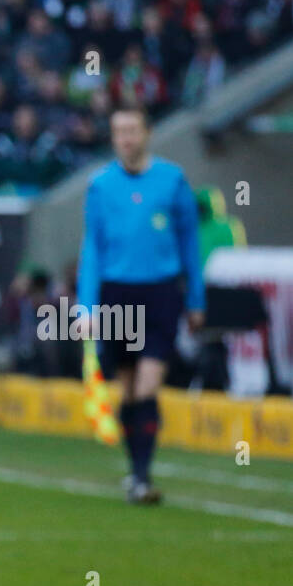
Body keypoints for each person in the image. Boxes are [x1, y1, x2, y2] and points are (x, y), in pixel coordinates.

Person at [77, 104, 204, 503]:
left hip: (161, 292)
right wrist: (85, 307)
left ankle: (143, 476)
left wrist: (196, 299)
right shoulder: (100, 185)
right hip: (118, 293)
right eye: (119, 131)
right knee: (129, 387)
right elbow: (92, 249)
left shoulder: (172, 180)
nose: (126, 138)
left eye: (132, 130)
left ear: (148, 133)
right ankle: (136, 472)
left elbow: (189, 242)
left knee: (149, 383)